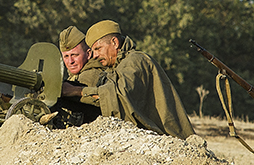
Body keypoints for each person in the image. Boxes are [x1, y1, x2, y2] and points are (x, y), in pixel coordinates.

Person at [63, 20, 195, 140]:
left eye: (98, 48)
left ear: (114, 43)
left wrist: (77, 91)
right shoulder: (117, 67)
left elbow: (118, 94)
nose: (95, 55)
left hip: (170, 138)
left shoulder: (136, 60)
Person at [54, 26, 104, 124]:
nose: (70, 61)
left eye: (75, 55)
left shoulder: (90, 75)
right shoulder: (76, 75)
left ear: (88, 54)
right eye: (66, 56)